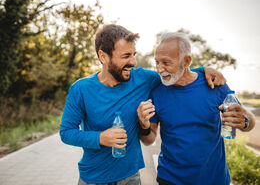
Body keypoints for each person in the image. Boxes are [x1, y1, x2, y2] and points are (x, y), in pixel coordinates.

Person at [60, 24, 226, 185]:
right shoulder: (80, 89)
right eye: (126, 56)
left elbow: (177, 72)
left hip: (130, 177)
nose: (133, 61)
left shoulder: (144, 79)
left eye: (134, 54)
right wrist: (100, 138)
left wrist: (204, 70)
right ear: (103, 56)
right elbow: (66, 132)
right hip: (93, 177)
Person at [137, 32, 256, 185]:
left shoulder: (214, 85)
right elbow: (149, 139)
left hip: (215, 179)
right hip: (170, 179)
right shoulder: (156, 93)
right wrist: (145, 127)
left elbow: (248, 121)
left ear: (186, 61)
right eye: (157, 62)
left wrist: (245, 121)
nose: (159, 69)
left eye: (166, 63)